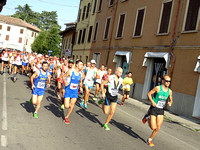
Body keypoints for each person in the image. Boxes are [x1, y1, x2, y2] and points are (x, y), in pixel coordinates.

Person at [142, 75, 173, 147]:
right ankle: (147, 117)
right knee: (153, 127)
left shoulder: (170, 91)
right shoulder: (158, 88)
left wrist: (170, 103)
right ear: (163, 81)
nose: (168, 83)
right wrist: (152, 101)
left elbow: (171, 99)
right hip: (154, 108)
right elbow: (149, 94)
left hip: (161, 110)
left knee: (158, 128)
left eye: (169, 81)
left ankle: (149, 140)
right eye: (167, 81)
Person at [62, 60, 84, 124]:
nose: (82, 66)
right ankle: (64, 102)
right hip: (68, 90)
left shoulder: (81, 74)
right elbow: (63, 76)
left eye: (82, 65)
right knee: (66, 106)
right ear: (76, 65)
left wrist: (81, 86)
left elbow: (80, 81)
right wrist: (65, 82)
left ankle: (66, 117)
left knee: (72, 105)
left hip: (75, 91)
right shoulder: (71, 71)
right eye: (80, 64)